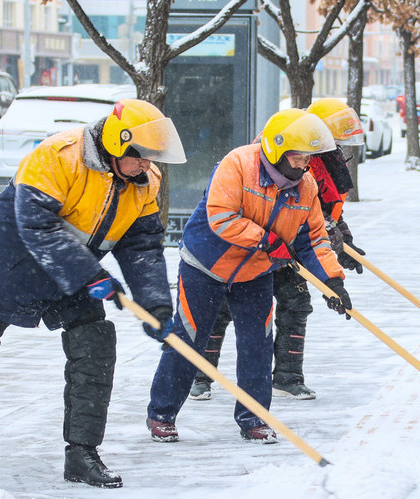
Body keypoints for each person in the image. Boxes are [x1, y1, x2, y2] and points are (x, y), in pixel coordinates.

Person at [0, 98, 186, 489]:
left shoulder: (144, 181)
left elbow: (143, 249)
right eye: (141, 156)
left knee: (95, 344)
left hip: (72, 268)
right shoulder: (58, 155)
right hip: (12, 262)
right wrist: (91, 276)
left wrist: (155, 306)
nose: (148, 165)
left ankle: (82, 454)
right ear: (117, 144)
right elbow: (37, 225)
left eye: (152, 157)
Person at [146, 108, 352, 443]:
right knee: (190, 339)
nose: (305, 165)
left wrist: (332, 282)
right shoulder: (238, 164)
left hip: (255, 271)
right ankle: (162, 413)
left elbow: (312, 239)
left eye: (308, 158)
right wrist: (267, 240)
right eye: (299, 157)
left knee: (257, 343)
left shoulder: (306, 187)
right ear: (277, 149)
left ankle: (253, 418)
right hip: (205, 264)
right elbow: (221, 216)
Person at [187, 98, 366, 401]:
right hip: (249, 246)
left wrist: (337, 260)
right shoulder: (278, 153)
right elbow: (260, 207)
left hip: (291, 248)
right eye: (334, 141)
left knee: (297, 303)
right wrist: (269, 241)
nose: (336, 149)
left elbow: (320, 214)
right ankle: (201, 375)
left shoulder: (323, 162)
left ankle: (287, 377)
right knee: (224, 309)